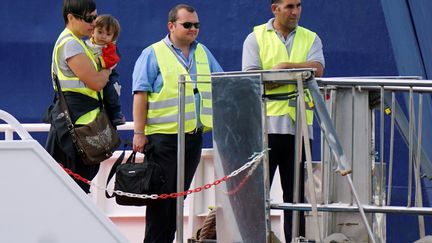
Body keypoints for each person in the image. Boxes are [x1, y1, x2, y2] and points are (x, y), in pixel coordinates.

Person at [132, 4, 223, 243]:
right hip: (163, 140)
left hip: (192, 138)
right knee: (161, 201)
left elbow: (222, 82)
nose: (193, 29)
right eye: (187, 25)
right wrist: (139, 133)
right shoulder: (152, 53)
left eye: (196, 25)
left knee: (177, 199)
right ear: (171, 26)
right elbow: (140, 93)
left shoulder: (203, 52)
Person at [242, 0, 325, 241]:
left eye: (298, 5)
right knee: (257, 195)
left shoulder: (311, 38)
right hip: (265, 127)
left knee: (296, 197)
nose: (295, 11)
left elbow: (317, 69)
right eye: (289, 6)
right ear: (274, 9)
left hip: (299, 129)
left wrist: (285, 67)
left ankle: (295, 240)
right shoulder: (255, 37)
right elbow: (251, 78)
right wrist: (295, 75)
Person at [45, 0, 112, 193]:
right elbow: (97, 82)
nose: (94, 23)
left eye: (95, 17)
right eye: (89, 19)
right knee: (73, 189)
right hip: (76, 126)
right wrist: (108, 69)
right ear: (71, 17)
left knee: (73, 188)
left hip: (79, 123)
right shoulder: (71, 44)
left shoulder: (77, 42)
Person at [85, 14, 125, 126]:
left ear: (113, 37)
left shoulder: (110, 48)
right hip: (91, 74)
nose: (103, 36)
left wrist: (99, 61)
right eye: (100, 32)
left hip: (110, 74)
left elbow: (112, 60)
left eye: (108, 34)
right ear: (92, 31)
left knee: (112, 91)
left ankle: (116, 113)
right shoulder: (85, 45)